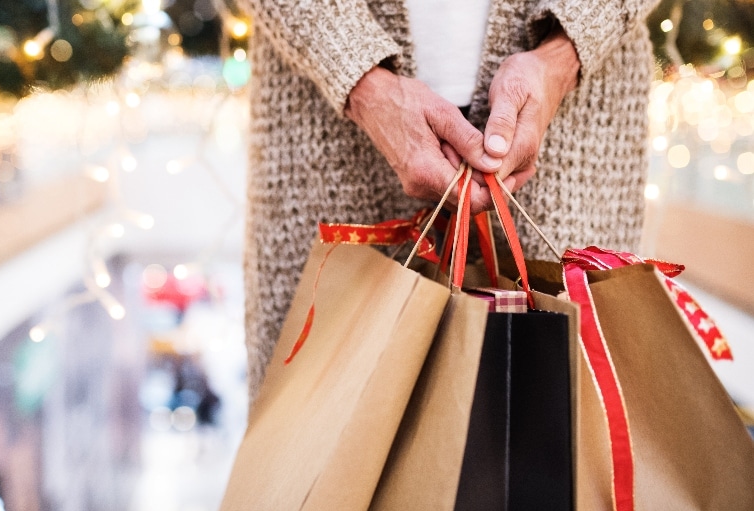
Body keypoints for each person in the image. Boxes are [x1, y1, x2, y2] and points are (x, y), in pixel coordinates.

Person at [241, 0, 661, 399]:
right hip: (326, 123)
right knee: (322, 423)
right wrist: (356, 75)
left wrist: (562, 57)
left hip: (573, 119)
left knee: (564, 426)